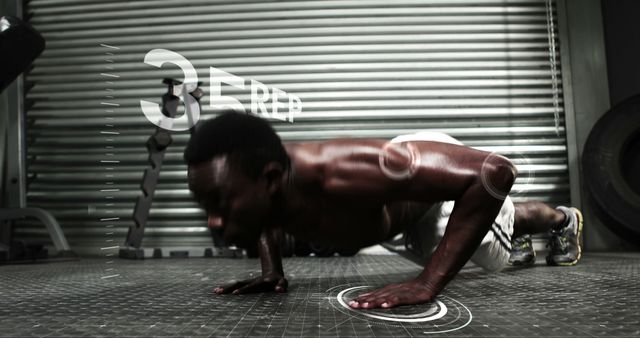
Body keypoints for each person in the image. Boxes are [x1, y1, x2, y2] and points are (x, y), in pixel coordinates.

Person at [184, 112, 583, 309]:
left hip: (431, 187)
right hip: (400, 208)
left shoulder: (340, 173)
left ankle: (564, 219)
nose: (214, 221)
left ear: (272, 179)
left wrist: (427, 284)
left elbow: (494, 173)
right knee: (459, 242)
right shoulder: (266, 185)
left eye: (221, 205)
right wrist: (272, 271)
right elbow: (263, 212)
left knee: (496, 243)